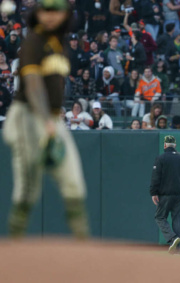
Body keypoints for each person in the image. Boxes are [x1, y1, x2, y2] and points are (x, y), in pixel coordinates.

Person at [2, 0, 89, 239]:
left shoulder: (60, 43)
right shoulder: (34, 40)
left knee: (74, 181)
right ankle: (14, 250)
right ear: (37, 13)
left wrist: (51, 122)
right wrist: (47, 122)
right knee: (28, 188)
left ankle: (85, 247)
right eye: (45, 10)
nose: (50, 16)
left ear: (65, 14)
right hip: (28, 116)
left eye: (56, 10)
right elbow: (33, 85)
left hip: (51, 119)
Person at [150, 135, 180, 255]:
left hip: (166, 194)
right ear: (175, 145)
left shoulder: (161, 158)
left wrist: (153, 193)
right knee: (177, 221)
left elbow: (155, 177)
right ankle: (177, 251)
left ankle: (173, 238)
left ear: (164, 145)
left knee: (159, 217)